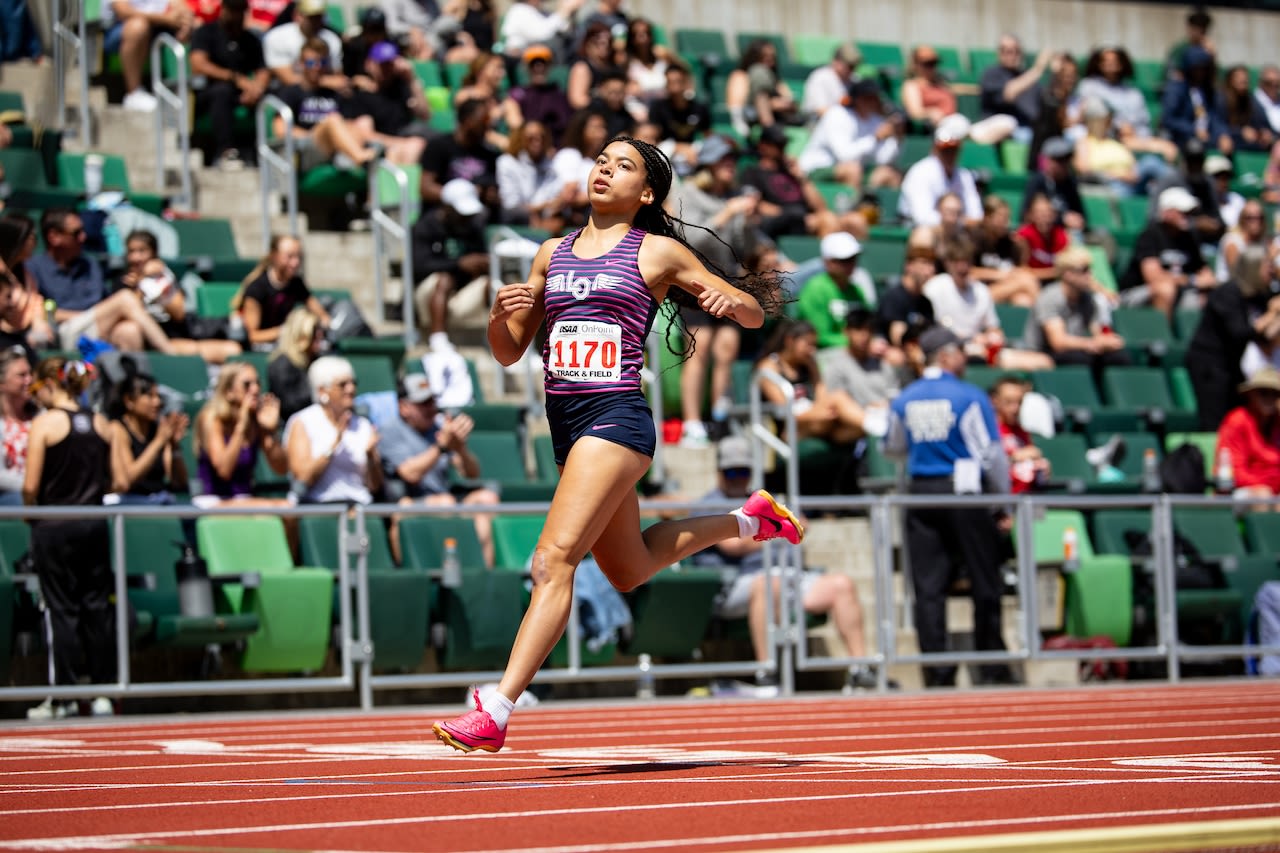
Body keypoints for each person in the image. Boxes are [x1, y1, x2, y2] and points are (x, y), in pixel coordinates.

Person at [430, 134, 798, 753]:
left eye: (622, 166)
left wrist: (726, 299)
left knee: (552, 561)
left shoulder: (656, 252)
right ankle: (747, 520)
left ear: (647, 191)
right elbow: (509, 349)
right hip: (568, 425)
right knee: (627, 570)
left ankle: (496, 708)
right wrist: (501, 313)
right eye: (600, 160)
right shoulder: (551, 251)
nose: (604, 170)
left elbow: (754, 315)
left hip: (617, 418)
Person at [691, 435, 884, 694]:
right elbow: (733, 546)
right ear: (719, 472)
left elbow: (797, 526)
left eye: (743, 471)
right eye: (731, 471)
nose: (738, 478)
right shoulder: (709, 504)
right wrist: (777, 530)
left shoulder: (764, 500)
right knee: (770, 583)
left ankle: (860, 669)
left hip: (787, 576)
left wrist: (785, 527)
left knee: (841, 585)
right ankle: (767, 672)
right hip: (734, 584)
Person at [882, 325, 1015, 688]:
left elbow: (891, 447)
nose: (965, 358)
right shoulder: (968, 396)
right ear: (944, 355)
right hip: (965, 492)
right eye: (960, 351)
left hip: (921, 492)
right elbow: (991, 454)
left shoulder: (906, 397)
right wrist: (1003, 502)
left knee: (928, 588)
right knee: (984, 579)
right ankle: (991, 666)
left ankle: (937, 672)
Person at [22, 358, 116, 719]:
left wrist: (31, 511)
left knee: (61, 609)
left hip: (55, 525)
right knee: (96, 606)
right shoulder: (100, 424)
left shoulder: (45, 424)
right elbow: (115, 478)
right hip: (93, 524)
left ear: (49, 384)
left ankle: (63, 694)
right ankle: (104, 691)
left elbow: (31, 485)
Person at [378, 373, 498, 565]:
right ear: (404, 407)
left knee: (486, 499)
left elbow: (472, 473)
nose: (430, 408)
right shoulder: (389, 431)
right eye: (422, 403)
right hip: (407, 503)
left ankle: (485, 576)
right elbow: (410, 473)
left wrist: (460, 448)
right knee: (443, 502)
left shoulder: (439, 426)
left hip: (444, 499)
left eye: (432, 401)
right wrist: (441, 447)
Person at [28, 209, 180, 355]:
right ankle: (172, 356)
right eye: (76, 233)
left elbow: (105, 301)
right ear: (54, 236)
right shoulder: (34, 268)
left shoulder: (90, 264)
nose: (84, 237)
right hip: (64, 332)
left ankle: (135, 380)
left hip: (98, 326)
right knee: (125, 298)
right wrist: (93, 315)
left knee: (130, 330)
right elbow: (41, 311)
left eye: (83, 231)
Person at [923, 234, 1053, 371]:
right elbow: (933, 330)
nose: (962, 267)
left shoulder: (981, 290)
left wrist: (993, 337)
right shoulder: (935, 287)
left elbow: (993, 327)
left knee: (1044, 362)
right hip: (947, 350)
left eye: (966, 261)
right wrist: (970, 339)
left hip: (981, 349)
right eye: (957, 261)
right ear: (947, 263)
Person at [1187, 243, 1280, 431]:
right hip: (1210, 365)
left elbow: (1265, 337)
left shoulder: (1257, 296)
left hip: (1233, 366)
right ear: (1253, 267)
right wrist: (1271, 314)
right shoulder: (1227, 293)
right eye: (1266, 267)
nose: (1270, 273)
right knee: (1215, 419)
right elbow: (1239, 333)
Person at [755, 318, 886, 445]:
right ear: (790, 341)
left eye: (814, 345)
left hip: (817, 420)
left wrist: (824, 411)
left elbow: (821, 394)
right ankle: (878, 425)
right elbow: (785, 412)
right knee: (838, 398)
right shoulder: (768, 368)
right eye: (808, 344)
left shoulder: (809, 362)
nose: (812, 350)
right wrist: (819, 413)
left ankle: (878, 427)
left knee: (856, 428)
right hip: (789, 429)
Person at [118, 231, 242, 363]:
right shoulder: (122, 282)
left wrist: (155, 286)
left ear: (153, 253)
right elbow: (128, 314)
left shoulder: (164, 277)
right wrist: (141, 281)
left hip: (175, 336)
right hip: (146, 341)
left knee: (232, 350)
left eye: (142, 251)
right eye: (132, 251)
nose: (136, 257)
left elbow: (179, 313)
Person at [273, 38, 387, 173]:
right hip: (305, 147)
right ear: (301, 64)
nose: (317, 67)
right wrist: (318, 132)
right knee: (332, 120)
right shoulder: (291, 92)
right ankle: (359, 158)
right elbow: (280, 129)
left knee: (356, 124)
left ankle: (349, 160)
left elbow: (349, 124)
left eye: (322, 62)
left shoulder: (335, 93)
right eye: (311, 63)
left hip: (334, 146)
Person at [740, 124, 868, 243]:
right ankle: (831, 264)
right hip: (783, 222)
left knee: (856, 221)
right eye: (778, 145)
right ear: (763, 146)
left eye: (784, 144)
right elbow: (755, 204)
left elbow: (821, 207)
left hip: (807, 219)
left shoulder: (792, 172)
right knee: (827, 220)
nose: (782, 149)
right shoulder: (752, 172)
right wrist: (789, 215)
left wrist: (802, 178)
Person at [285, 355, 382, 505]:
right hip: (318, 506)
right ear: (323, 391)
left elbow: (374, 486)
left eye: (353, 383)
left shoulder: (363, 424)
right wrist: (334, 444)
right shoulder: (303, 421)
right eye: (342, 384)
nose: (351, 389)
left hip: (359, 507)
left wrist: (370, 456)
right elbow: (302, 478)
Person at [1026, 245, 1129, 379]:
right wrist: (1091, 343)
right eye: (1084, 270)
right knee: (1081, 360)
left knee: (1119, 358)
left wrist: (1107, 342)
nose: (1089, 275)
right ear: (1068, 274)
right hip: (1045, 352)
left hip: (1077, 348)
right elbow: (1058, 342)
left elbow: (1096, 331)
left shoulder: (1089, 298)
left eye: (1090, 269)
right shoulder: (1051, 297)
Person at [411, 178, 492, 347]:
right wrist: (458, 264)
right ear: (447, 207)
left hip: (459, 298)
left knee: (496, 286)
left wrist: (483, 264)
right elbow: (418, 266)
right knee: (444, 279)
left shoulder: (474, 228)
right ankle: (438, 338)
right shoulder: (425, 226)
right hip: (426, 298)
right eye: (461, 213)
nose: (466, 218)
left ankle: (503, 341)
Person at [189, 0, 269, 171]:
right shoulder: (206, 32)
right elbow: (198, 64)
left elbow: (262, 71)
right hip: (205, 94)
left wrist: (256, 89)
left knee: (271, 97)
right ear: (223, 9)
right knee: (221, 92)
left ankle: (264, 154)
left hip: (240, 95)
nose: (237, 15)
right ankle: (226, 152)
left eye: (240, 10)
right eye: (233, 9)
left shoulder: (250, 40)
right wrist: (235, 78)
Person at [195, 361, 289, 504]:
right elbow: (224, 471)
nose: (255, 389)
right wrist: (241, 428)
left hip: (245, 499)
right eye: (247, 385)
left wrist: (271, 431)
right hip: (213, 499)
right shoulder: (212, 418)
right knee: (279, 509)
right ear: (229, 392)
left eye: (257, 383)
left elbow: (281, 469)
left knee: (288, 510)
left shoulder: (256, 419)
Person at [797, 78, 902, 196]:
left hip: (858, 169)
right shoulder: (837, 115)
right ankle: (854, 210)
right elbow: (845, 156)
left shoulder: (875, 120)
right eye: (869, 98)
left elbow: (883, 159)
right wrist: (875, 139)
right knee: (853, 170)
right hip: (818, 168)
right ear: (858, 99)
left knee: (888, 174)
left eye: (875, 97)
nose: (874, 102)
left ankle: (875, 210)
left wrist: (896, 139)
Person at [1121, 186, 1215, 315]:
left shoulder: (1190, 238)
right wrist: (1192, 280)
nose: (1187, 216)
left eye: (1189, 212)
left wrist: (1202, 282)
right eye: (1182, 211)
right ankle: (1161, 334)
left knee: (1203, 296)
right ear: (1166, 213)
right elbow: (1154, 277)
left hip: (1179, 290)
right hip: (1136, 293)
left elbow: (1206, 275)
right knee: (1165, 289)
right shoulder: (1150, 235)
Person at [105, 363, 189, 504]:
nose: (157, 402)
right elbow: (127, 479)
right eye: (149, 396)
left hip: (158, 499)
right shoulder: (117, 429)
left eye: (158, 396)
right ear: (129, 400)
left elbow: (179, 483)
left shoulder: (158, 430)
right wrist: (158, 442)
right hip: (129, 502)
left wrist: (174, 446)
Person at [231, 234, 332, 350]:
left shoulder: (297, 283)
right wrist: (287, 330)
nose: (295, 263)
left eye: (299, 257)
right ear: (274, 256)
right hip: (261, 348)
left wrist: (322, 322)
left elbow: (321, 313)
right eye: (289, 257)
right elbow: (253, 336)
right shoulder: (256, 288)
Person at [105, 0, 195, 112]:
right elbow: (124, 11)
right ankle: (133, 94)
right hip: (120, 30)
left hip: (159, 26)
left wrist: (185, 22)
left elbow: (180, 5)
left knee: (195, 24)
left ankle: (185, 95)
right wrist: (167, 19)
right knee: (138, 26)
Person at [794, 231, 876, 350]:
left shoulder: (856, 290)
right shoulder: (815, 289)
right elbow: (818, 336)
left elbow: (865, 326)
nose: (851, 264)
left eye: (853, 259)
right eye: (844, 260)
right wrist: (857, 343)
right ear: (828, 262)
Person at [898, 115, 983, 227]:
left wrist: (962, 222)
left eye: (953, 150)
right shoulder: (921, 172)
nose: (949, 155)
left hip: (954, 232)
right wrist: (961, 221)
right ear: (935, 149)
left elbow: (976, 214)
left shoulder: (964, 175)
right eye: (945, 150)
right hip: (917, 229)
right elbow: (922, 218)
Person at [1215, 367, 1280, 503]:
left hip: (1273, 490)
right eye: (1263, 393)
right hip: (1238, 492)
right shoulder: (1237, 421)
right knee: (1263, 496)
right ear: (1251, 394)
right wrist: (1269, 483)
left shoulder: (1277, 422)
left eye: (1275, 394)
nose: (1269, 398)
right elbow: (1233, 472)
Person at [823, 305, 901, 411]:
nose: (864, 335)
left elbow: (894, 395)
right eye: (858, 329)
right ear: (846, 331)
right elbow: (837, 403)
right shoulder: (835, 366)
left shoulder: (882, 364)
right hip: (855, 421)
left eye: (869, 329)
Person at [971, 194, 1040, 309]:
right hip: (977, 294)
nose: (1006, 223)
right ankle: (1047, 314)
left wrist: (1023, 248)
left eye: (1007, 218)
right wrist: (999, 275)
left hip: (1005, 289)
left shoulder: (1010, 243)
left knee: (1023, 301)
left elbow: (1019, 269)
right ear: (987, 218)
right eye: (1001, 218)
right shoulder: (975, 238)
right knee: (1026, 281)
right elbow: (968, 271)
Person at [1161, 45, 1232, 157]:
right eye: (1197, 68)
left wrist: (1222, 134)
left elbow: (1215, 117)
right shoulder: (1176, 89)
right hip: (1183, 138)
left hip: (1208, 138)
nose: (1200, 73)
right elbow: (1168, 119)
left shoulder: (1208, 92)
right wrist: (1194, 130)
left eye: (1203, 69)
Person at [979, 34, 1051, 140]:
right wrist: (1037, 69)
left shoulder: (1027, 77)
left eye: (1016, 51)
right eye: (1006, 51)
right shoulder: (991, 74)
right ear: (999, 53)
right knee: (1009, 124)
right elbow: (1009, 93)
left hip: (1029, 128)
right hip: (1000, 130)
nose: (1012, 55)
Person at [502, 44, 574, 146]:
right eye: (533, 63)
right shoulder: (519, 94)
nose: (538, 67)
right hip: (528, 148)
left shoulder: (559, 96)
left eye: (543, 63)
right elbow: (515, 124)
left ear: (549, 66)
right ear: (527, 68)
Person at [262, 0, 345, 88]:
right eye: (311, 17)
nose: (315, 21)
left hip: (321, 94)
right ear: (297, 15)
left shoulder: (331, 39)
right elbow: (288, 79)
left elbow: (337, 76)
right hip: (284, 93)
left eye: (318, 16)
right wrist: (325, 82)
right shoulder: (277, 37)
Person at [990, 374, 1050, 494]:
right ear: (995, 401)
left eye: (1019, 402)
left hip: (1028, 499)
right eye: (1009, 402)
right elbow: (985, 468)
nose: (1015, 408)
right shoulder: (989, 431)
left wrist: (1041, 467)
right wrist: (1014, 458)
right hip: (1000, 500)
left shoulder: (1021, 432)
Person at [267, 306, 325, 424]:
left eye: (319, 330)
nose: (319, 335)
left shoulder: (317, 361)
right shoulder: (282, 365)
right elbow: (290, 405)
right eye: (314, 331)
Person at [877, 243, 938, 348]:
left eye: (932, 264)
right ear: (909, 266)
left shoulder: (926, 303)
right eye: (924, 263)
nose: (929, 270)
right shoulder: (895, 297)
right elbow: (898, 339)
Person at [0, 344, 35, 506]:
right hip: (9, 497)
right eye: (22, 375)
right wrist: (31, 486)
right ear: (2, 383)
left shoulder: (41, 417)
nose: (29, 380)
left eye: (30, 374)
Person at [900, 44, 958, 133]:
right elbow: (915, 112)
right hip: (938, 126)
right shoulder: (912, 85)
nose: (932, 67)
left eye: (934, 63)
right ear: (915, 64)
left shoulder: (942, 84)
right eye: (927, 64)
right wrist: (931, 112)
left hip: (955, 122)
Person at [1222, 64, 1275, 154]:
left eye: (1245, 77)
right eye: (1238, 77)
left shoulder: (1250, 100)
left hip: (1248, 145)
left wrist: (1263, 132)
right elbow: (1217, 124)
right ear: (1230, 80)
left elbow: (1260, 122)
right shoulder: (1221, 99)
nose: (1243, 80)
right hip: (1225, 144)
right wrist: (1240, 132)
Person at [801, 43, 862, 120]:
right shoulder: (820, 77)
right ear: (836, 61)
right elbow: (821, 111)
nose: (852, 69)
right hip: (817, 121)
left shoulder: (855, 79)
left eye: (854, 66)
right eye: (849, 66)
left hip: (845, 122)